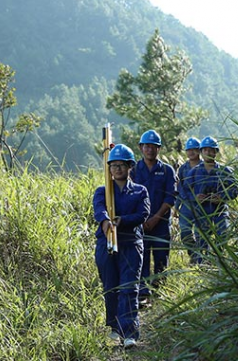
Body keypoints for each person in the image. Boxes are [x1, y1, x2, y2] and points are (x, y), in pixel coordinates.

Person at [93, 143, 151, 349]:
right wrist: (106, 222)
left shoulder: (139, 191)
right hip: (105, 244)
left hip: (131, 245)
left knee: (129, 287)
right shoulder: (102, 192)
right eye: (114, 165)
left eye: (122, 165)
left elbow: (142, 215)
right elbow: (99, 210)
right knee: (111, 287)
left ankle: (129, 331)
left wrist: (121, 220)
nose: (117, 169)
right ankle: (114, 328)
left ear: (129, 167)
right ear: (109, 168)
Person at [129, 130, 177, 306]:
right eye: (146, 146)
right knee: (141, 258)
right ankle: (143, 293)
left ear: (159, 149)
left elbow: (170, 198)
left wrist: (155, 218)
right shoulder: (133, 170)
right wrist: (140, 219)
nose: (149, 149)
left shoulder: (167, 170)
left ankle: (159, 292)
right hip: (139, 224)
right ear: (141, 148)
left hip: (161, 224)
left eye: (153, 146)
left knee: (161, 258)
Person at [186, 136, 238, 260]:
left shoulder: (225, 171)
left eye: (211, 150)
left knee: (223, 236)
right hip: (201, 212)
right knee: (201, 241)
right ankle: (202, 267)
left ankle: (219, 262)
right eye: (206, 150)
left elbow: (235, 190)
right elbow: (185, 192)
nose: (208, 153)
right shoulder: (194, 172)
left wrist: (222, 197)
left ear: (216, 152)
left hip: (220, 212)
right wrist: (195, 198)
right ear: (201, 152)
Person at [174, 137, 203, 264]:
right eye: (188, 150)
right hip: (186, 204)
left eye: (194, 150)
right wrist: (176, 207)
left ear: (199, 151)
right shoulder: (183, 169)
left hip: (202, 206)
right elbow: (180, 189)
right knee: (185, 233)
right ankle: (194, 254)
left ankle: (202, 261)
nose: (191, 153)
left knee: (200, 234)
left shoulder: (205, 167)